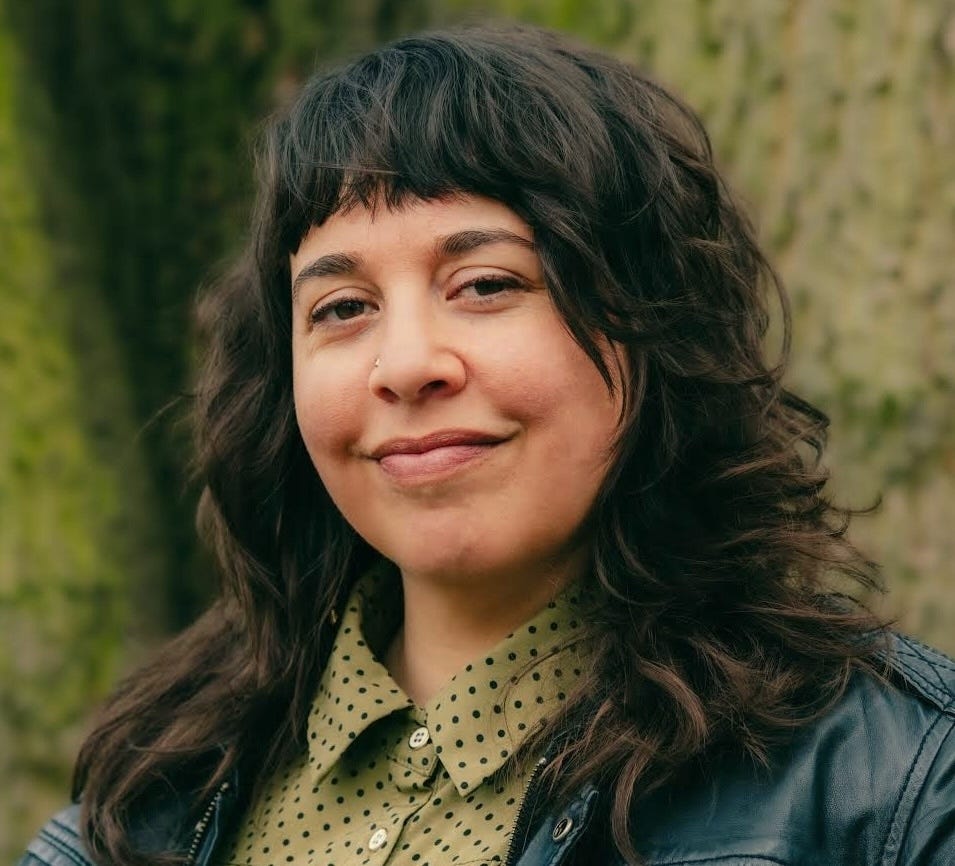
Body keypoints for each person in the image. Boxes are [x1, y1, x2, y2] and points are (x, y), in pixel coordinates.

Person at [18, 22, 955, 866]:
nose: (406, 364)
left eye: (485, 284)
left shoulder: (890, 782)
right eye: (342, 309)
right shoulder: (150, 800)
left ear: (654, 321)